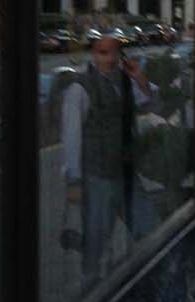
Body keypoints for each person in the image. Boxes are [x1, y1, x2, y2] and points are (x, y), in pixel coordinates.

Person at [61, 33, 155, 286]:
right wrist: (73, 180)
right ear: (94, 54)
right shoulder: (80, 87)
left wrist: (138, 76)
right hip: (98, 175)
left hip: (125, 170)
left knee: (149, 227)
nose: (110, 59)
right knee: (96, 241)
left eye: (115, 53)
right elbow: (71, 136)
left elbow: (148, 101)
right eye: (103, 53)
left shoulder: (124, 81)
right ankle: (90, 286)